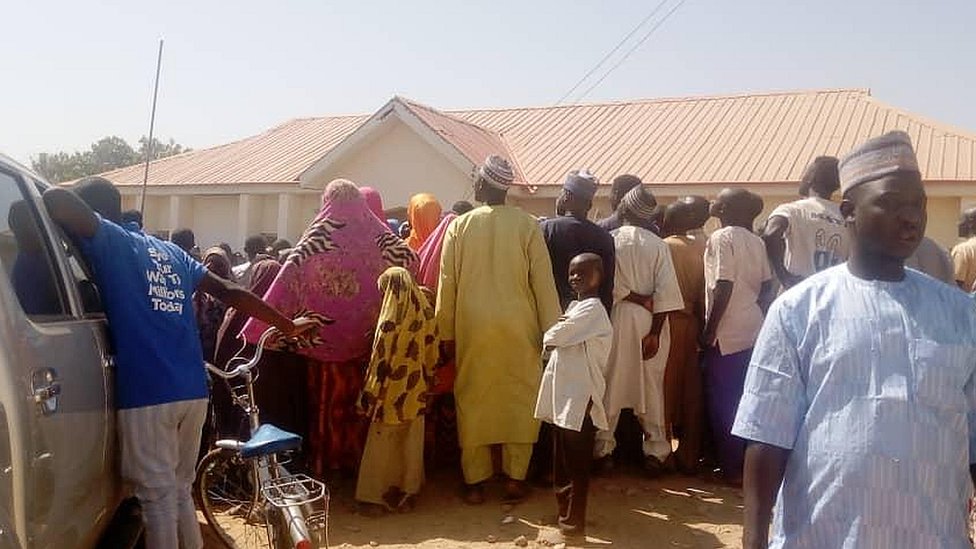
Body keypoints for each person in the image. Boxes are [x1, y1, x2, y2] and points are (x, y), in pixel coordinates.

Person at [732, 131, 976, 548]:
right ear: (848, 211)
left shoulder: (960, 313)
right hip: (823, 534)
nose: (911, 218)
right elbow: (767, 438)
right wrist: (754, 539)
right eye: (890, 203)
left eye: (917, 205)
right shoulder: (799, 310)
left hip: (934, 536)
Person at [42, 177, 312, 549]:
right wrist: (285, 324)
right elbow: (231, 291)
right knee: (180, 490)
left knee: (156, 499)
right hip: (192, 390)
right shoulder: (171, 252)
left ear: (97, 214)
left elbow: (54, 198)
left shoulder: (109, 239)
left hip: (149, 393)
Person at [242, 179, 418, 477]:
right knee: (363, 405)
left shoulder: (316, 239)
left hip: (321, 347)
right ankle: (362, 468)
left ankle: (327, 465)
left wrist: (261, 329)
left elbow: (285, 285)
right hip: (371, 347)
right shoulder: (381, 238)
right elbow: (410, 263)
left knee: (327, 406)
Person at [436, 155, 561, 504]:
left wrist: (445, 333)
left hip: (472, 325)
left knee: (473, 396)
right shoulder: (527, 225)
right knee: (521, 397)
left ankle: (475, 481)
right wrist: (551, 332)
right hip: (520, 324)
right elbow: (543, 283)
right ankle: (515, 479)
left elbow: (448, 284)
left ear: (481, 185)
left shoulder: (459, 226)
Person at [595, 185, 684, 476]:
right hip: (651, 320)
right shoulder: (658, 244)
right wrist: (656, 333)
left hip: (617, 319)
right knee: (651, 386)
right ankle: (656, 452)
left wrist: (633, 297)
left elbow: (611, 287)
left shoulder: (610, 240)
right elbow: (667, 293)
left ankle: (603, 450)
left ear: (624, 209)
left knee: (611, 382)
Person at [534, 253, 613, 539]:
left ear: (599, 275)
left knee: (575, 463)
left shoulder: (592, 309)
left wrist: (551, 334)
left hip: (581, 396)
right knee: (563, 460)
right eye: (572, 273)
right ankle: (565, 516)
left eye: (583, 272)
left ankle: (572, 523)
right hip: (565, 393)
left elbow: (555, 336)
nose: (576, 278)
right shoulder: (577, 306)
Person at [700, 188, 772, 485]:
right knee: (746, 399)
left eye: (719, 199)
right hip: (752, 328)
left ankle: (731, 469)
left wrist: (709, 330)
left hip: (726, 332)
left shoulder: (721, 237)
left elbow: (723, 285)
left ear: (728, 208)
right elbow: (767, 288)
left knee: (724, 402)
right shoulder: (757, 241)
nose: (713, 201)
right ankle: (741, 464)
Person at [356, 266, 439, 514]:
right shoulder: (426, 314)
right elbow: (433, 356)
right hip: (417, 392)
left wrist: (367, 397)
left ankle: (374, 498)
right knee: (412, 444)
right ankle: (408, 494)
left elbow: (378, 365)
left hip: (390, 396)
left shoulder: (389, 322)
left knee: (382, 447)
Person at [661, 199, 708, 475]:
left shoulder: (666, 246)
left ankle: (663, 451)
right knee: (691, 391)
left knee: (665, 389)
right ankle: (689, 454)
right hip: (693, 321)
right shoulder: (703, 246)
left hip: (668, 321)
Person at [762, 156, 848, 290]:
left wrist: (783, 276)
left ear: (810, 178)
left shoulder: (792, 210)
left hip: (797, 292)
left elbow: (771, 233)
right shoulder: (846, 217)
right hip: (834, 293)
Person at [540, 170, 616, 312]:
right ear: (589, 206)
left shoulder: (546, 229)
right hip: (588, 316)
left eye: (562, 193)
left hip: (552, 313)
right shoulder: (604, 237)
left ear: (567, 197)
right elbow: (607, 287)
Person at [194, 247, 235, 363]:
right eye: (209, 263)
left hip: (226, 349)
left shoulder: (236, 293)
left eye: (219, 264)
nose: (212, 267)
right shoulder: (196, 293)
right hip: (200, 349)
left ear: (227, 267)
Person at [952, 207, 976, 290]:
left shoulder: (963, 250)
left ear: (970, 224)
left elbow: (955, 286)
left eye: (961, 220)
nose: (957, 224)